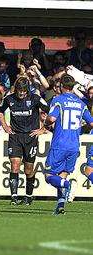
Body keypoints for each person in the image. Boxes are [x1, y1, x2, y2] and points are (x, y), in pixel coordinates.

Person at [43, 74, 93, 214]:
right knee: (62, 175)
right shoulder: (81, 104)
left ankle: (67, 185)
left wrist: (46, 123)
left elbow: (51, 118)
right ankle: (60, 206)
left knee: (48, 175)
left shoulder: (58, 100)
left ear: (61, 87)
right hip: (74, 146)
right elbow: (91, 123)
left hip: (60, 144)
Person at [0, 77, 50, 206]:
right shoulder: (9, 99)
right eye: (19, 90)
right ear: (16, 89)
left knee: (28, 169)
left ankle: (28, 196)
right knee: (14, 165)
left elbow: (51, 111)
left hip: (30, 137)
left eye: (24, 91)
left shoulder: (35, 99)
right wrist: (5, 126)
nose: (21, 93)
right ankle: (14, 197)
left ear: (27, 90)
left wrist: (43, 129)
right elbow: (0, 111)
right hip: (15, 136)